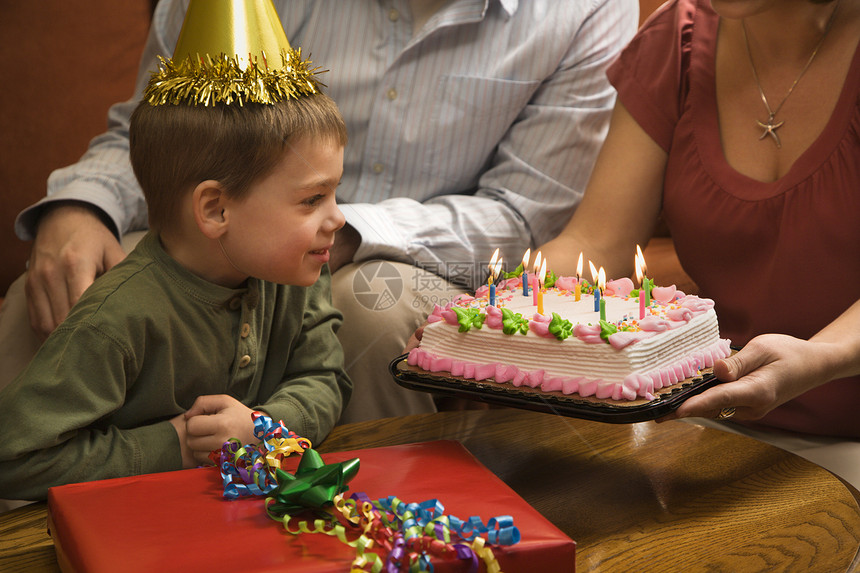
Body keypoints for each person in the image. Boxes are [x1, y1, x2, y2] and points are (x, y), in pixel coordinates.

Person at [0, 0, 638, 424]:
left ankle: (374, 529)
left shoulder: (585, 10)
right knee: (53, 288)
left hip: (412, 255)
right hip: (221, 228)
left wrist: (340, 228)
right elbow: (158, 133)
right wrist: (84, 204)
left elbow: (520, 215)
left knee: (367, 310)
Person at [0, 2, 352, 500]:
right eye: (313, 199)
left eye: (335, 193)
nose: (337, 218)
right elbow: (13, 455)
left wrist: (265, 427)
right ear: (215, 210)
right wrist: (175, 447)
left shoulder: (302, 272)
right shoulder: (115, 321)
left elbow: (325, 377)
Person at [539, 0, 860, 485]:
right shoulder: (678, 35)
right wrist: (482, 324)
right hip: (708, 427)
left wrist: (822, 358)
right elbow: (596, 241)